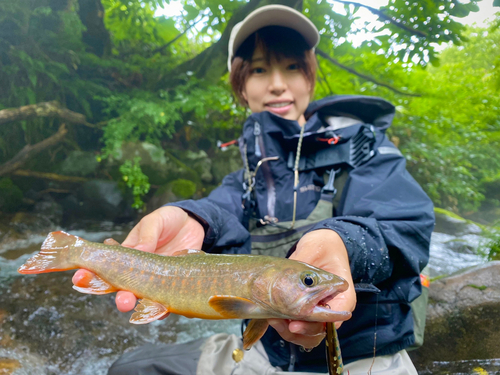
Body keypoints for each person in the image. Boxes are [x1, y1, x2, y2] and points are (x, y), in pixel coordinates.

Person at [73, 5, 435, 374]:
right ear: (241, 87)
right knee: (131, 368)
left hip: (362, 358)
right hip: (262, 354)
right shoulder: (247, 174)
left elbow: (404, 223)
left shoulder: (364, 149)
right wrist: (191, 217)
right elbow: (221, 211)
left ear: (309, 79)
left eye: (292, 67)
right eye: (260, 70)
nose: (277, 83)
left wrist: (344, 243)